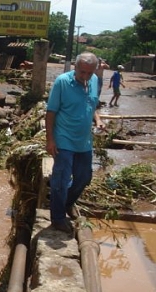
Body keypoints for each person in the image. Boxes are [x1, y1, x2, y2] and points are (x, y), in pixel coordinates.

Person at [45, 52, 106, 234]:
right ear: (75, 68)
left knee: (84, 177)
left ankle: (67, 203)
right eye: (82, 72)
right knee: (61, 180)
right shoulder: (62, 82)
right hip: (63, 139)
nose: (85, 77)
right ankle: (57, 218)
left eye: (89, 73)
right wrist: (50, 140)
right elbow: (50, 112)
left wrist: (98, 120)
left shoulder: (95, 81)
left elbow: (92, 104)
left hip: (84, 141)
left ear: (95, 70)